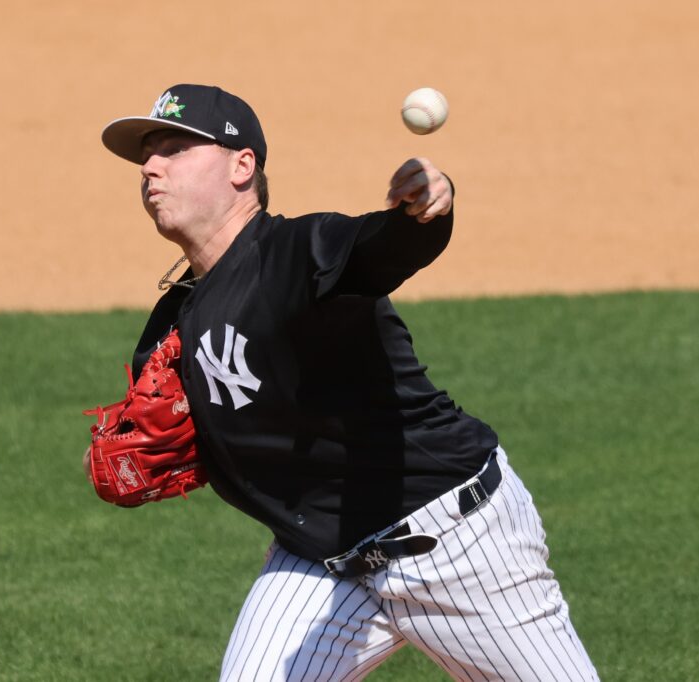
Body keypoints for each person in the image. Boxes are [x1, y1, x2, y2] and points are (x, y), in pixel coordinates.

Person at [100, 84, 598, 681]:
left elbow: (380, 250)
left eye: (175, 148)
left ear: (242, 166)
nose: (150, 167)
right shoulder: (176, 316)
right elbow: (149, 438)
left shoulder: (299, 253)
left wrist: (428, 208)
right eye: (146, 154)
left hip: (460, 547)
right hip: (318, 561)